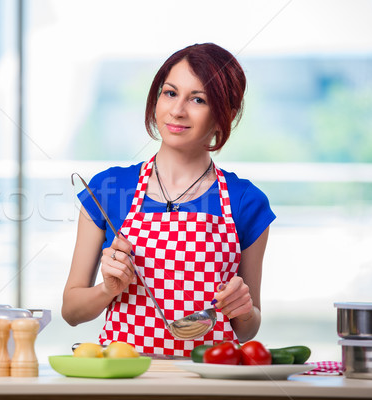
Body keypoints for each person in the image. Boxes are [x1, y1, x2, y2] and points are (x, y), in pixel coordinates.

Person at [62, 43, 275, 357]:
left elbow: (247, 328)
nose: (177, 110)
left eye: (198, 99)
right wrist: (108, 288)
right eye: (170, 93)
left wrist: (243, 309)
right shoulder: (109, 188)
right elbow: (71, 311)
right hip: (125, 377)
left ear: (224, 115)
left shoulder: (246, 201)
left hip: (211, 378)